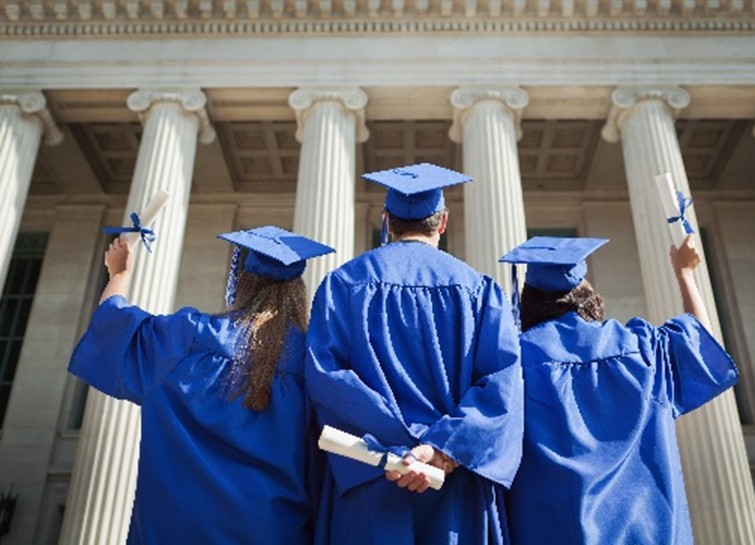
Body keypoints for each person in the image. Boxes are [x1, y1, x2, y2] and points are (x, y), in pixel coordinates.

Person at [68, 225, 334, 544]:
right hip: (272, 530)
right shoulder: (312, 365)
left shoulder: (185, 339)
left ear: (242, 283)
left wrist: (119, 275)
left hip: (178, 529)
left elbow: (114, 326)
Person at [305, 163, 523, 544]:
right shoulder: (480, 290)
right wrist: (441, 449)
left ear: (386, 220)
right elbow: (502, 383)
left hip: (372, 475)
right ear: (443, 223)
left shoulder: (344, 283)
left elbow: (327, 377)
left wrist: (397, 451)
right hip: (454, 485)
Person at [501, 234, 739, 545]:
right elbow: (701, 340)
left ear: (528, 303)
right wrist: (685, 274)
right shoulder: (643, 350)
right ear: (586, 294)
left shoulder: (513, 365)